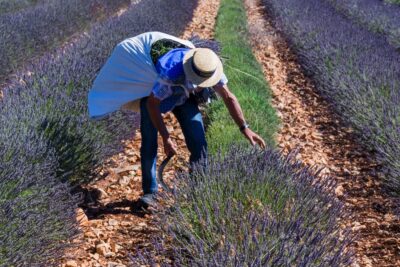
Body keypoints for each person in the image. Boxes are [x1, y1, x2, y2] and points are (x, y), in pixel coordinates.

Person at [88, 32, 266, 207]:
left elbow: (229, 97)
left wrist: (244, 127)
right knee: (150, 141)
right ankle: (150, 193)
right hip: (153, 93)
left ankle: (198, 192)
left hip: (183, 95)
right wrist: (166, 137)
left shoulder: (210, 67)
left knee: (199, 142)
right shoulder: (170, 72)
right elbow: (152, 103)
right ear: (190, 71)